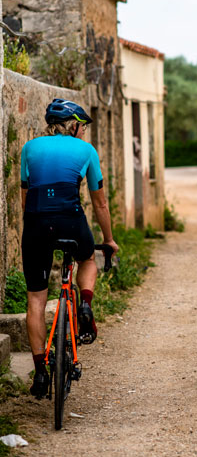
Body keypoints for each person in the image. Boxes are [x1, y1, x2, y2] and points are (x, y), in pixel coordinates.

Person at [21, 99, 118, 399]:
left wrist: (36, 232)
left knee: (36, 300)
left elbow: (25, 200)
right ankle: (85, 303)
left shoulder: (29, 148)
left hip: (36, 225)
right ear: (74, 125)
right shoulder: (86, 151)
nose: (83, 131)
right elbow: (99, 202)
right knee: (87, 259)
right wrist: (109, 240)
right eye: (82, 126)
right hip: (71, 222)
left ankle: (39, 372)